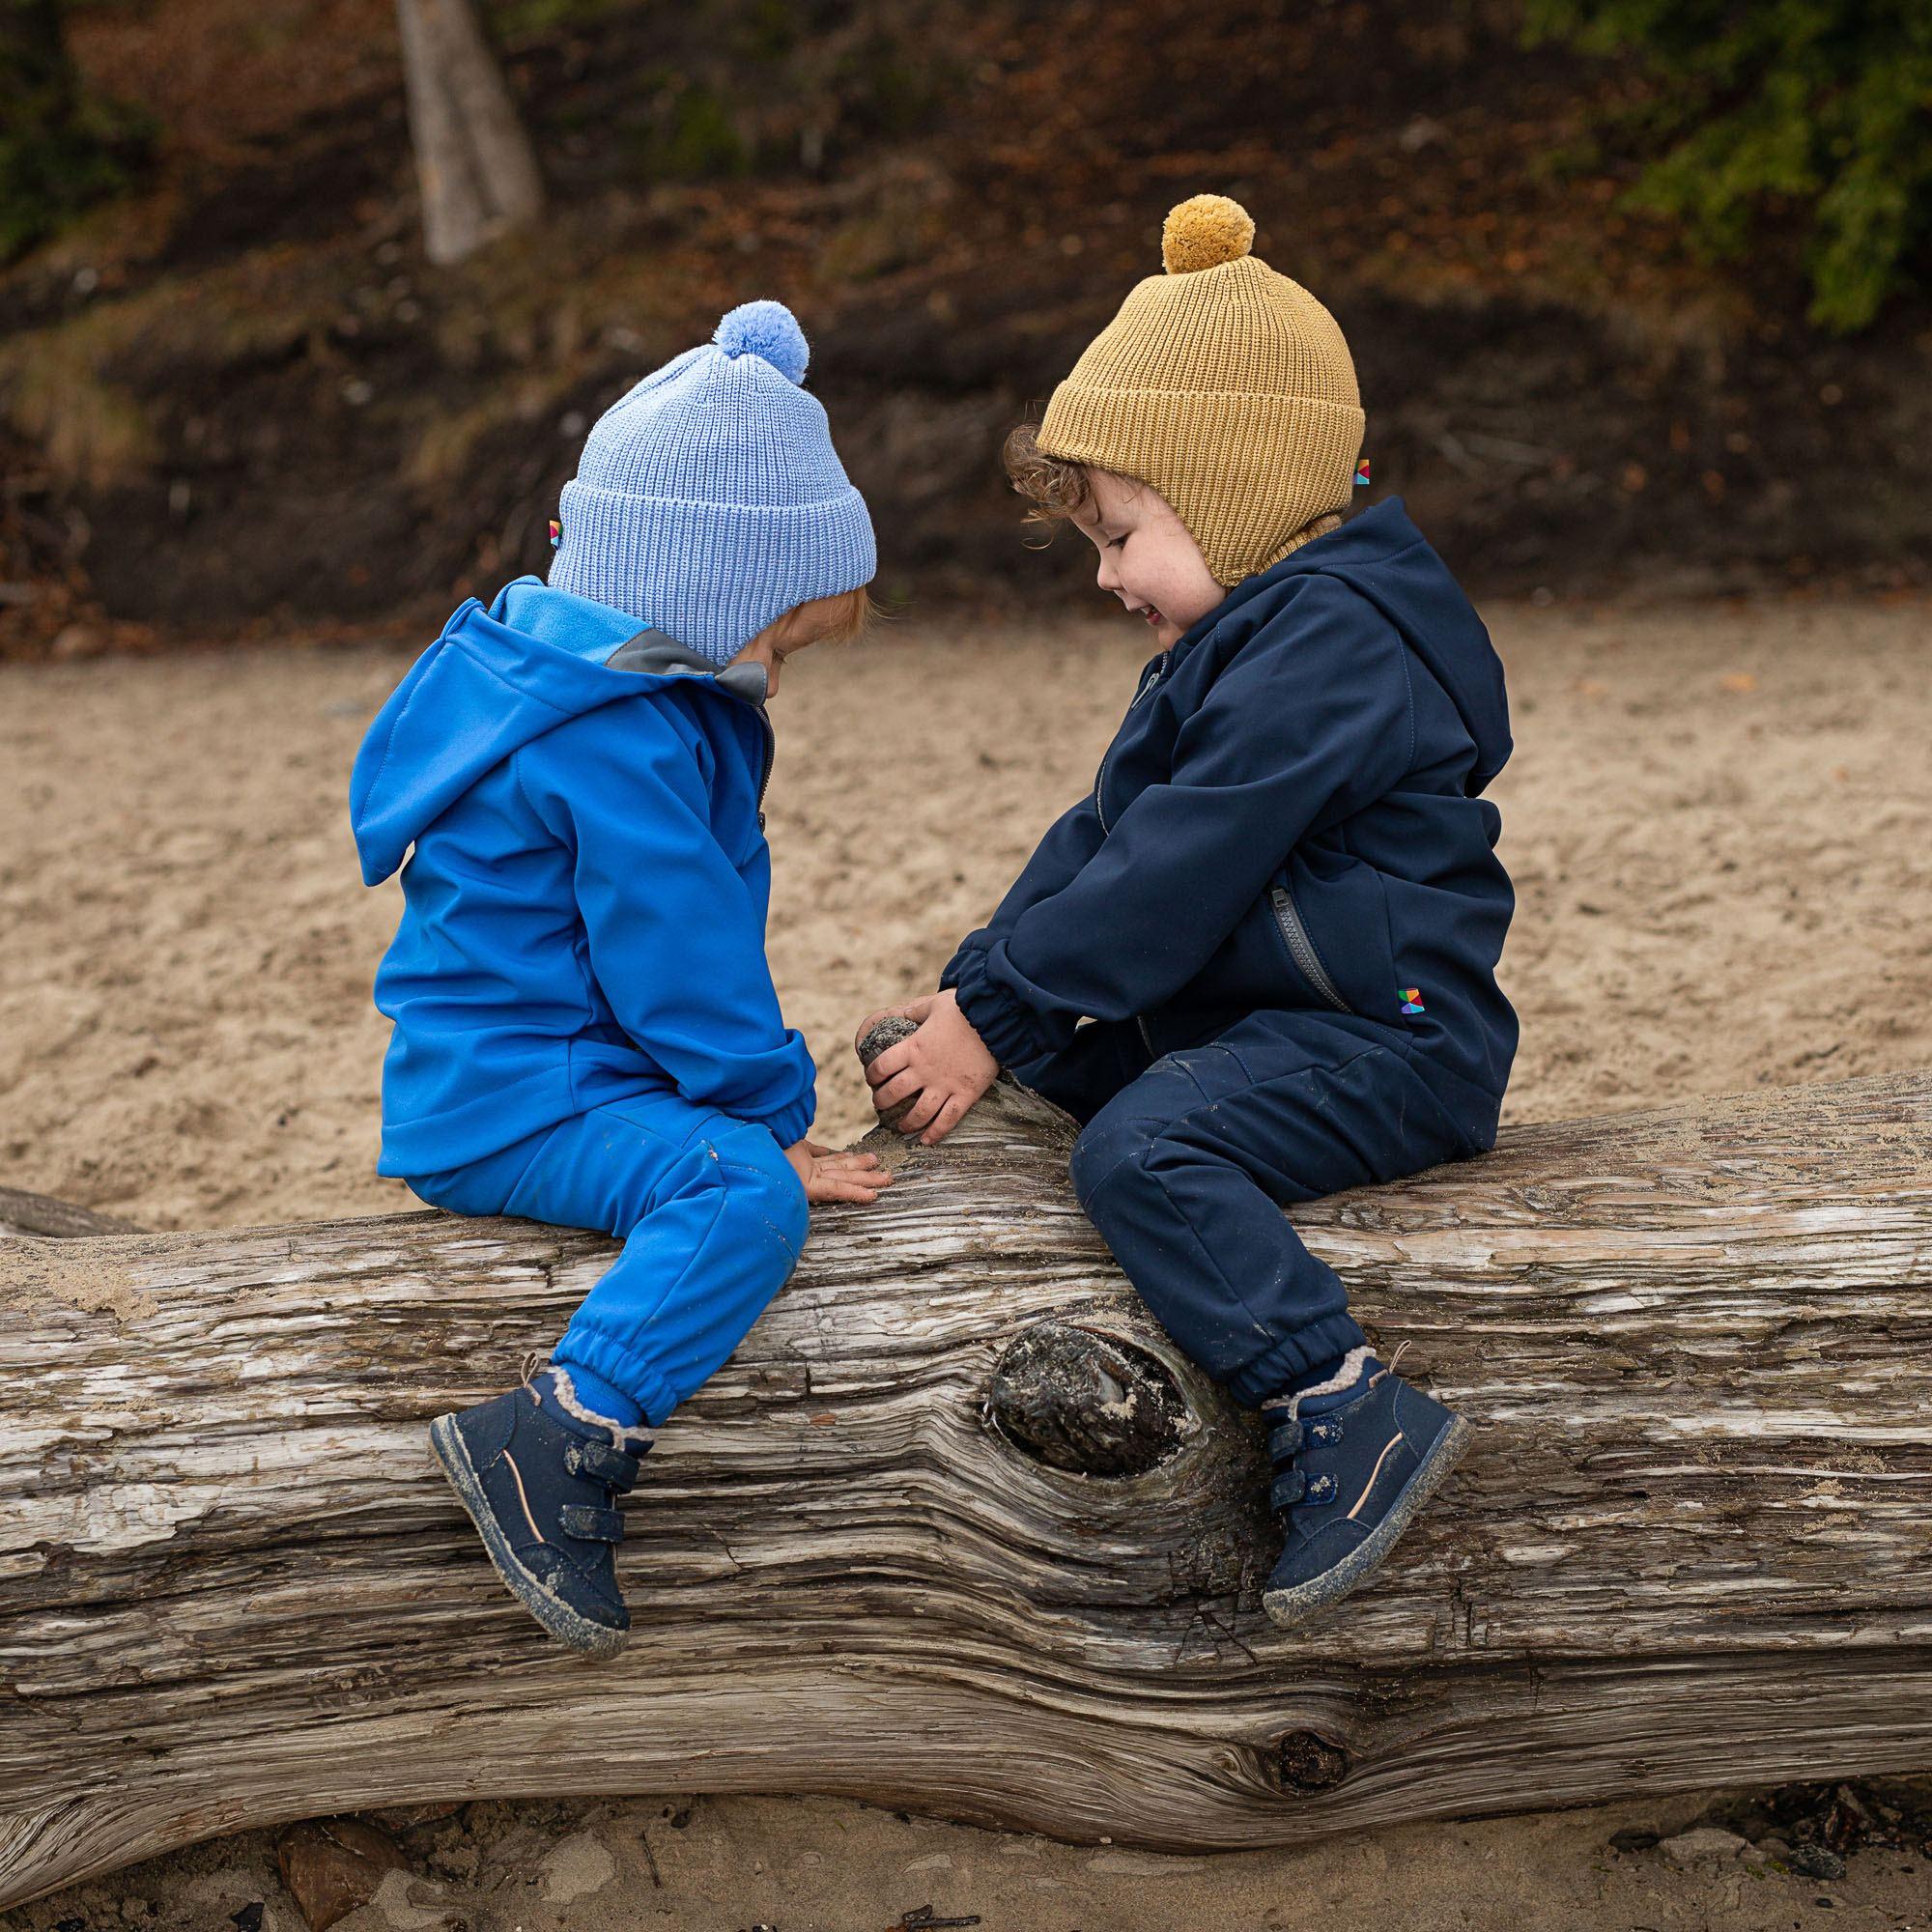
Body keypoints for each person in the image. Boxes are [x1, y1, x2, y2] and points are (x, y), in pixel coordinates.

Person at [859, 196, 1517, 1626]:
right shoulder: (1243, 642)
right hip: (1275, 1011)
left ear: (1230, 495)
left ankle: (1341, 1402)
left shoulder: (1337, 650)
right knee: (1050, 1061)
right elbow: (1108, 836)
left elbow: (1187, 866)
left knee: (1144, 1153)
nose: (1105, 575)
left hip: (1393, 1044)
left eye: (1124, 532)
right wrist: (979, 1002)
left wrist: (1005, 1010)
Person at [350, 300, 892, 1656]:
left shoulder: (541, 677)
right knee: (737, 1198)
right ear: (703, 603)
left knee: (720, 1157)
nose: (773, 677)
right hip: (524, 1100)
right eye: (777, 645)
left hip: (505, 1074)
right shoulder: (619, 740)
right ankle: (564, 1433)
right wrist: (770, 1120)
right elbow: (683, 966)